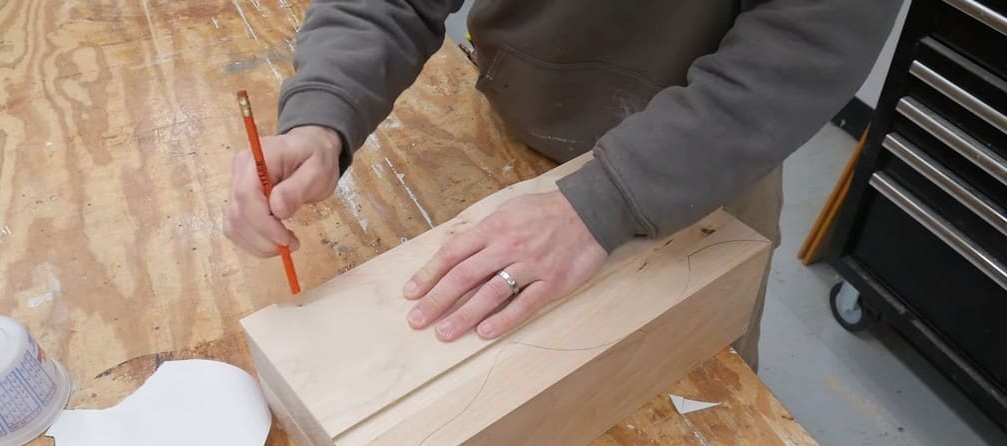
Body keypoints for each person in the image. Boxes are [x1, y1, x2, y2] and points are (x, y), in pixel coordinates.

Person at [225, 0, 900, 370]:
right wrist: (324, 113)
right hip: (514, 123)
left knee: (689, 404)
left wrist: (606, 199)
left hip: (698, 175)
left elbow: (793, 61)